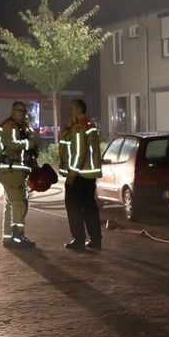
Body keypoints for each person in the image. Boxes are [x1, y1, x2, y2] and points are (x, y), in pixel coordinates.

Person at [59, 99, 103, 251]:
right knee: (89, 207)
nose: (70, 110)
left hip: (79, 176)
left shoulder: (79, 127)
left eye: (72, 108)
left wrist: (72, 173)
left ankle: (78, 239)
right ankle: (96, 239)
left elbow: (79, 152)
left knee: (73, 207)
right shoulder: (89, 125)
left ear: (78, 109)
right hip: (89, 176)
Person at [0, 101, 38, 248]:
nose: (22, 113)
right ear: (12, 111)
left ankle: (8, 237)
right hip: (11, 170)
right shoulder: (10, 126)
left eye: (23, 110)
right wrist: (30, 143)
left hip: (13, 170)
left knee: (10, 205)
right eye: (18, 110)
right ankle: (18, 237)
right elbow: (12, 145)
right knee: (19, 204)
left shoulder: (18, 126)